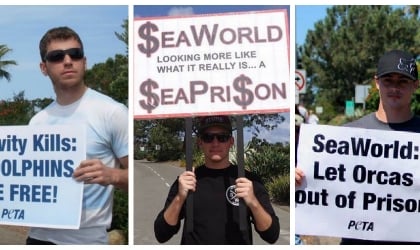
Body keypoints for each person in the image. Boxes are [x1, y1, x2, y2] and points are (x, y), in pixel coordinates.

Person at [295, 49, 419, 245]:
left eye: (402, 81)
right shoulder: (347, 136)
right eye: (388, 80)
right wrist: (300, 180)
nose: (395, 87)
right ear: (377, 82)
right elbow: (324, 185)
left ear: (415, 85)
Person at [26, 26, 128, 244]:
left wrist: (113, 175)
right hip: (37, 238)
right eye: (56, 56)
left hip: (86, 240)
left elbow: (138, 176)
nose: (68, 60)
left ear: (84, 61)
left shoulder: (112, 112)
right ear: (44, 67)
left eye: (75, 54)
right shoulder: (37, 121)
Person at [154, 115, 280, 244]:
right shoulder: (187, 180)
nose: (215, 143)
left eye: (222, 137)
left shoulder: (248, 181)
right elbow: (162, 234)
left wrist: (253, 202)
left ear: (231, 141)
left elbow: (272, 235)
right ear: (200, 142)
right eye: (208, 137)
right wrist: (180, 198)